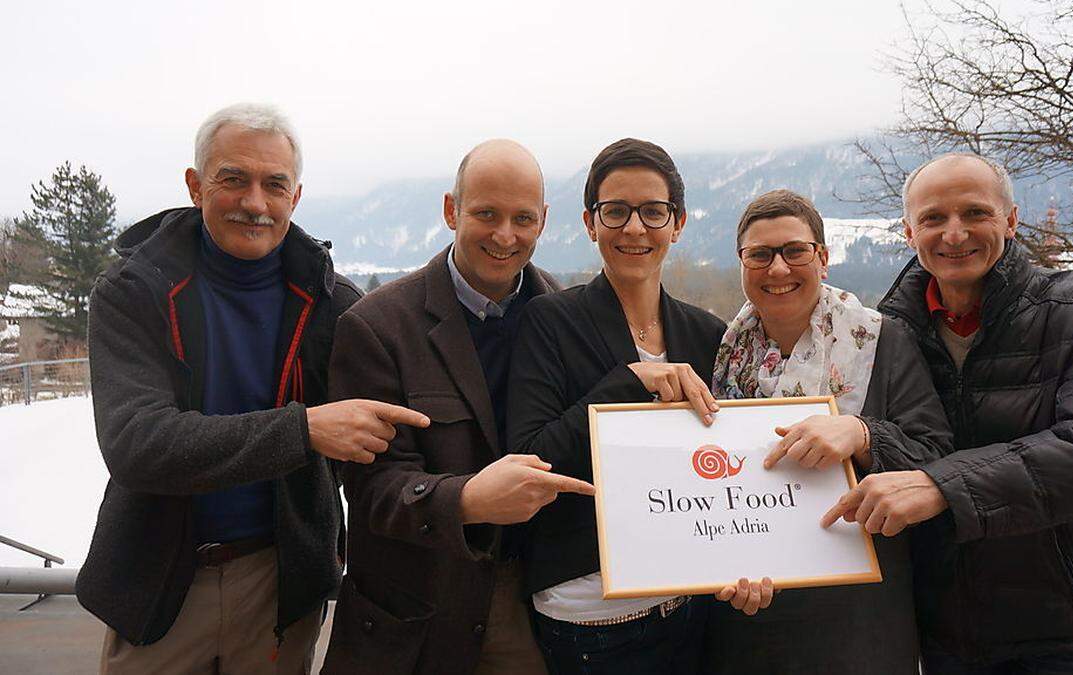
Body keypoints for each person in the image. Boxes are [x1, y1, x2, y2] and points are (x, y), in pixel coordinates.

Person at [78, 103, 429, 674]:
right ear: (195, 186)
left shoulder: (332, 304)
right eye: (233, 179)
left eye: (274, 185)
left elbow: (395, 432)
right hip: (158, 578)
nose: (255, 203)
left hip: (280, 579)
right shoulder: (134, 290)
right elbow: (136, 443)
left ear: (296, 196)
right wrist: (305, 429)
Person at [823, 153, 1073, 673]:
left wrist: (940, 486)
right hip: (941, 634)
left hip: (1060, 632)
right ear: (910, 232)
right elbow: (905, 443)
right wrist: (867, 437)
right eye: (933, 218)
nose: (954, 234)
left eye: (975, 213)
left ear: (1011, 221)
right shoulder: (886, 332)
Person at [321, 139, 592, 675]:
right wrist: (465, 500)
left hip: (531, 605)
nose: (505, 235)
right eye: (486, 214)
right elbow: (370, 489)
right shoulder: (377, 327)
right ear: (451, 210)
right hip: (418, 618)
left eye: (522, 218)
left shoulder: (565, 319)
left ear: (543, 221)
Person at [698, 189, 952, 674]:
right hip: (750, 608)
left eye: (794, 251)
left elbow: (935, 455)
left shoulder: (881, 340)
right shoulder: (724, 350)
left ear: (823, 258)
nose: (778, 269)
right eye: (760, 255)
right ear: (742, 263)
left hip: (854, 612)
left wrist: (861, 434)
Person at [507, 138, 726, 674]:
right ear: (590, 222)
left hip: (689, 601)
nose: (634, 228)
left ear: (677, 223)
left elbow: (725, 469)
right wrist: (630, 383)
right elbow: (533, 460)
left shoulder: (708, 334)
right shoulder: (549, 322)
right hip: (590, 619)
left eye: (653, 212)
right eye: (616, 211)